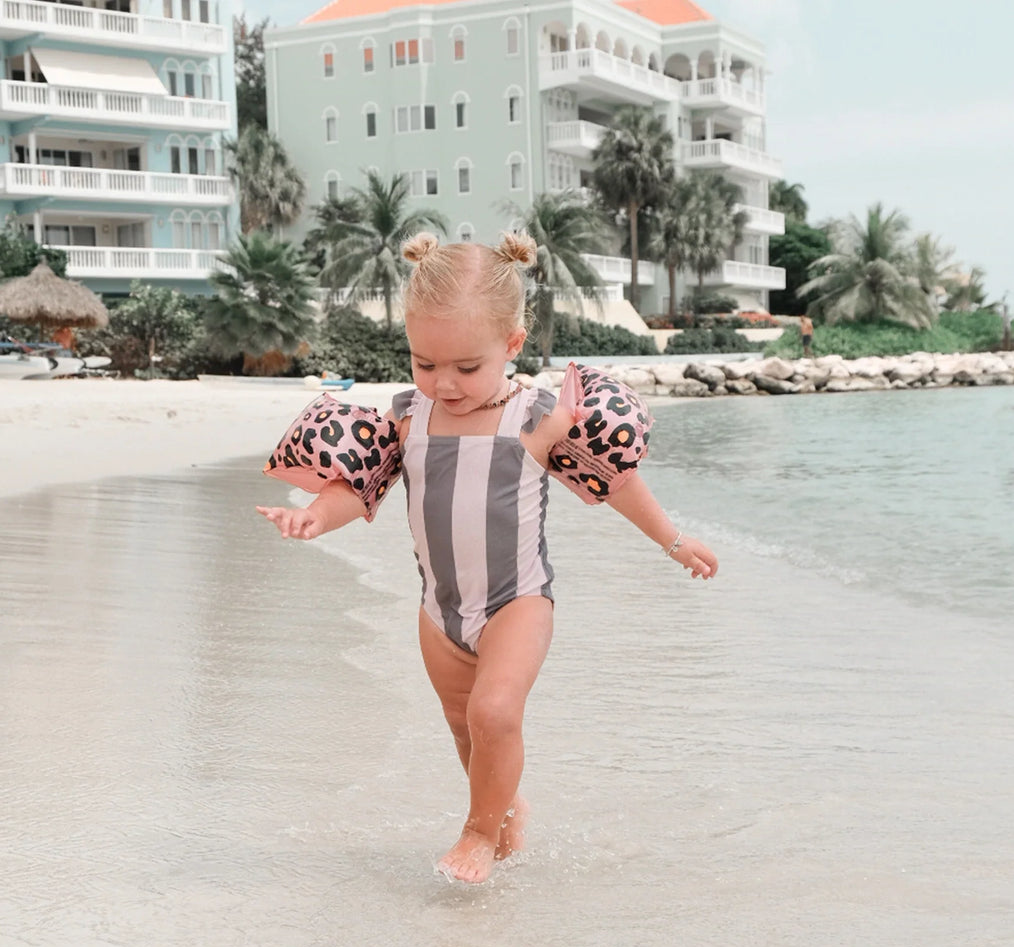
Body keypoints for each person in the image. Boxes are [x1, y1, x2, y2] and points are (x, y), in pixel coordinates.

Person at [258, 233, 718, 885]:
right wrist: (312, 517)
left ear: (512, 344)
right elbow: (354, 487)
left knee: (494, 712)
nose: (443, 383)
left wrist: (675, 540)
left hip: (517, 601)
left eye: (466, 368)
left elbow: (614, 482)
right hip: (439, 613)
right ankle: (504, 811)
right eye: (425, 363)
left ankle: (477, 831)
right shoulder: (405, 417)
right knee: (465, 730)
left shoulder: (541, 417)